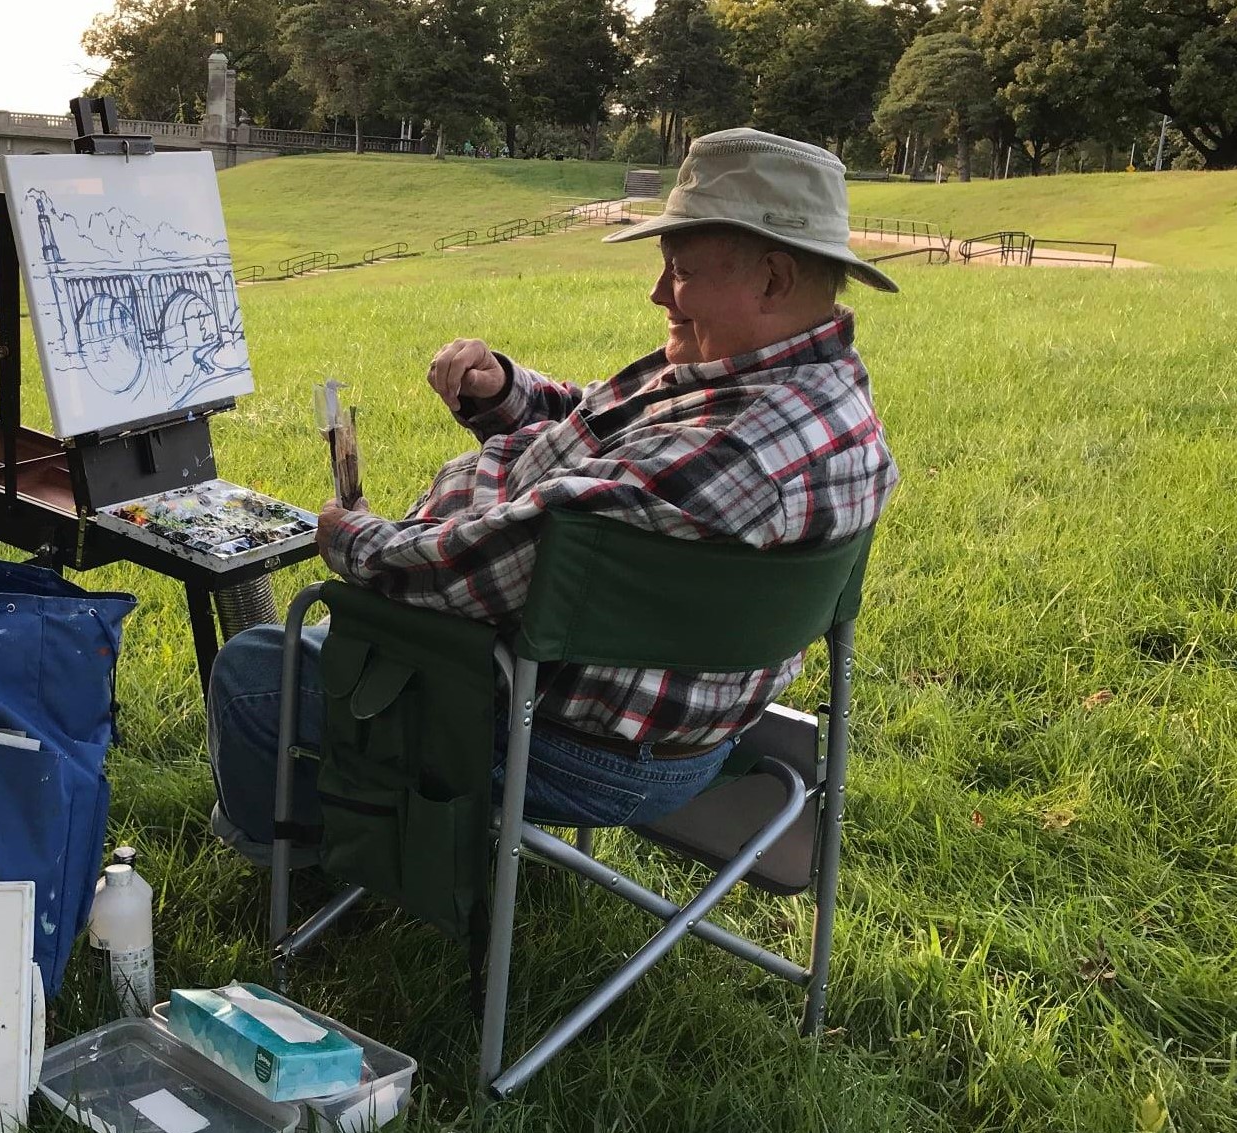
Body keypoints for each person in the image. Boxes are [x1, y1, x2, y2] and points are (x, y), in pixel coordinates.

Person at [209, 128, 902, 863]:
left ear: (769, 278)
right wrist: (507, 393)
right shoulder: (802, 390)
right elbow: (610, 428)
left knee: (256, 669)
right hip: (651, 721)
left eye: (681, 270)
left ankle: (299, 859)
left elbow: (475, 571)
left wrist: (352, 537)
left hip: (568, 740)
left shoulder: (739, 450)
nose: (659, 291)